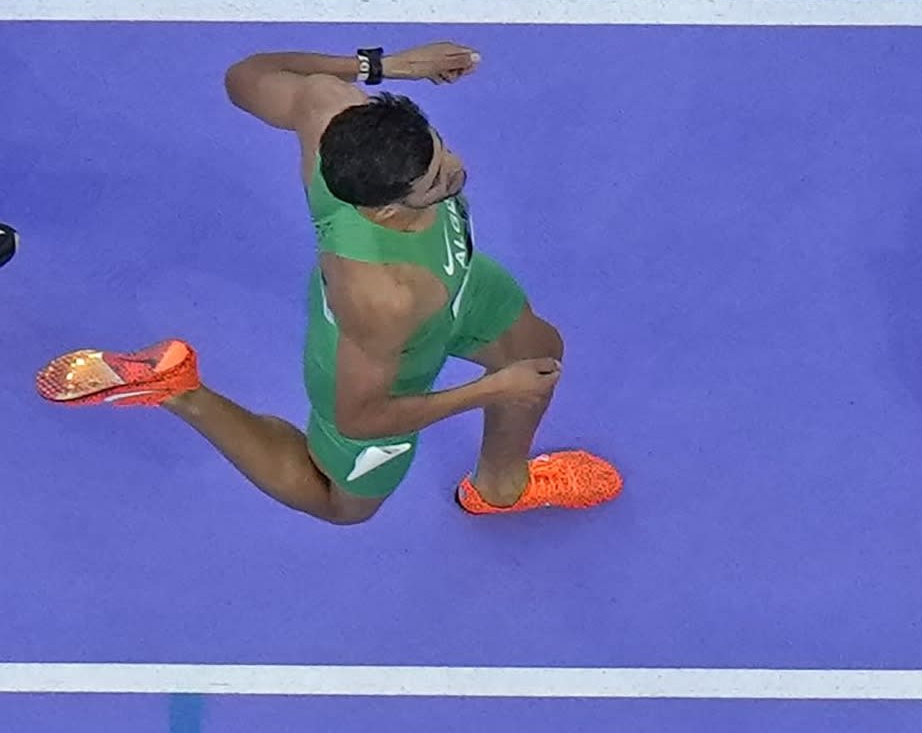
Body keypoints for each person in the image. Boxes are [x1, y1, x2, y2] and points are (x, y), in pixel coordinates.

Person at [35, 43, 621, 524]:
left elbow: (246, 76)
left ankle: (500, 487)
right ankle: (183, 390)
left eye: (441, 148)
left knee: (541, 352)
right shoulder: (379, 298)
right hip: (393, 350)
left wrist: (385, 67)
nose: (458, 167)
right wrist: (491, 390)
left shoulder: (333, 112)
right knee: (343, 504)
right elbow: (361, 418)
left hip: (459, 285)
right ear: (389, 212)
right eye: (438, 178)